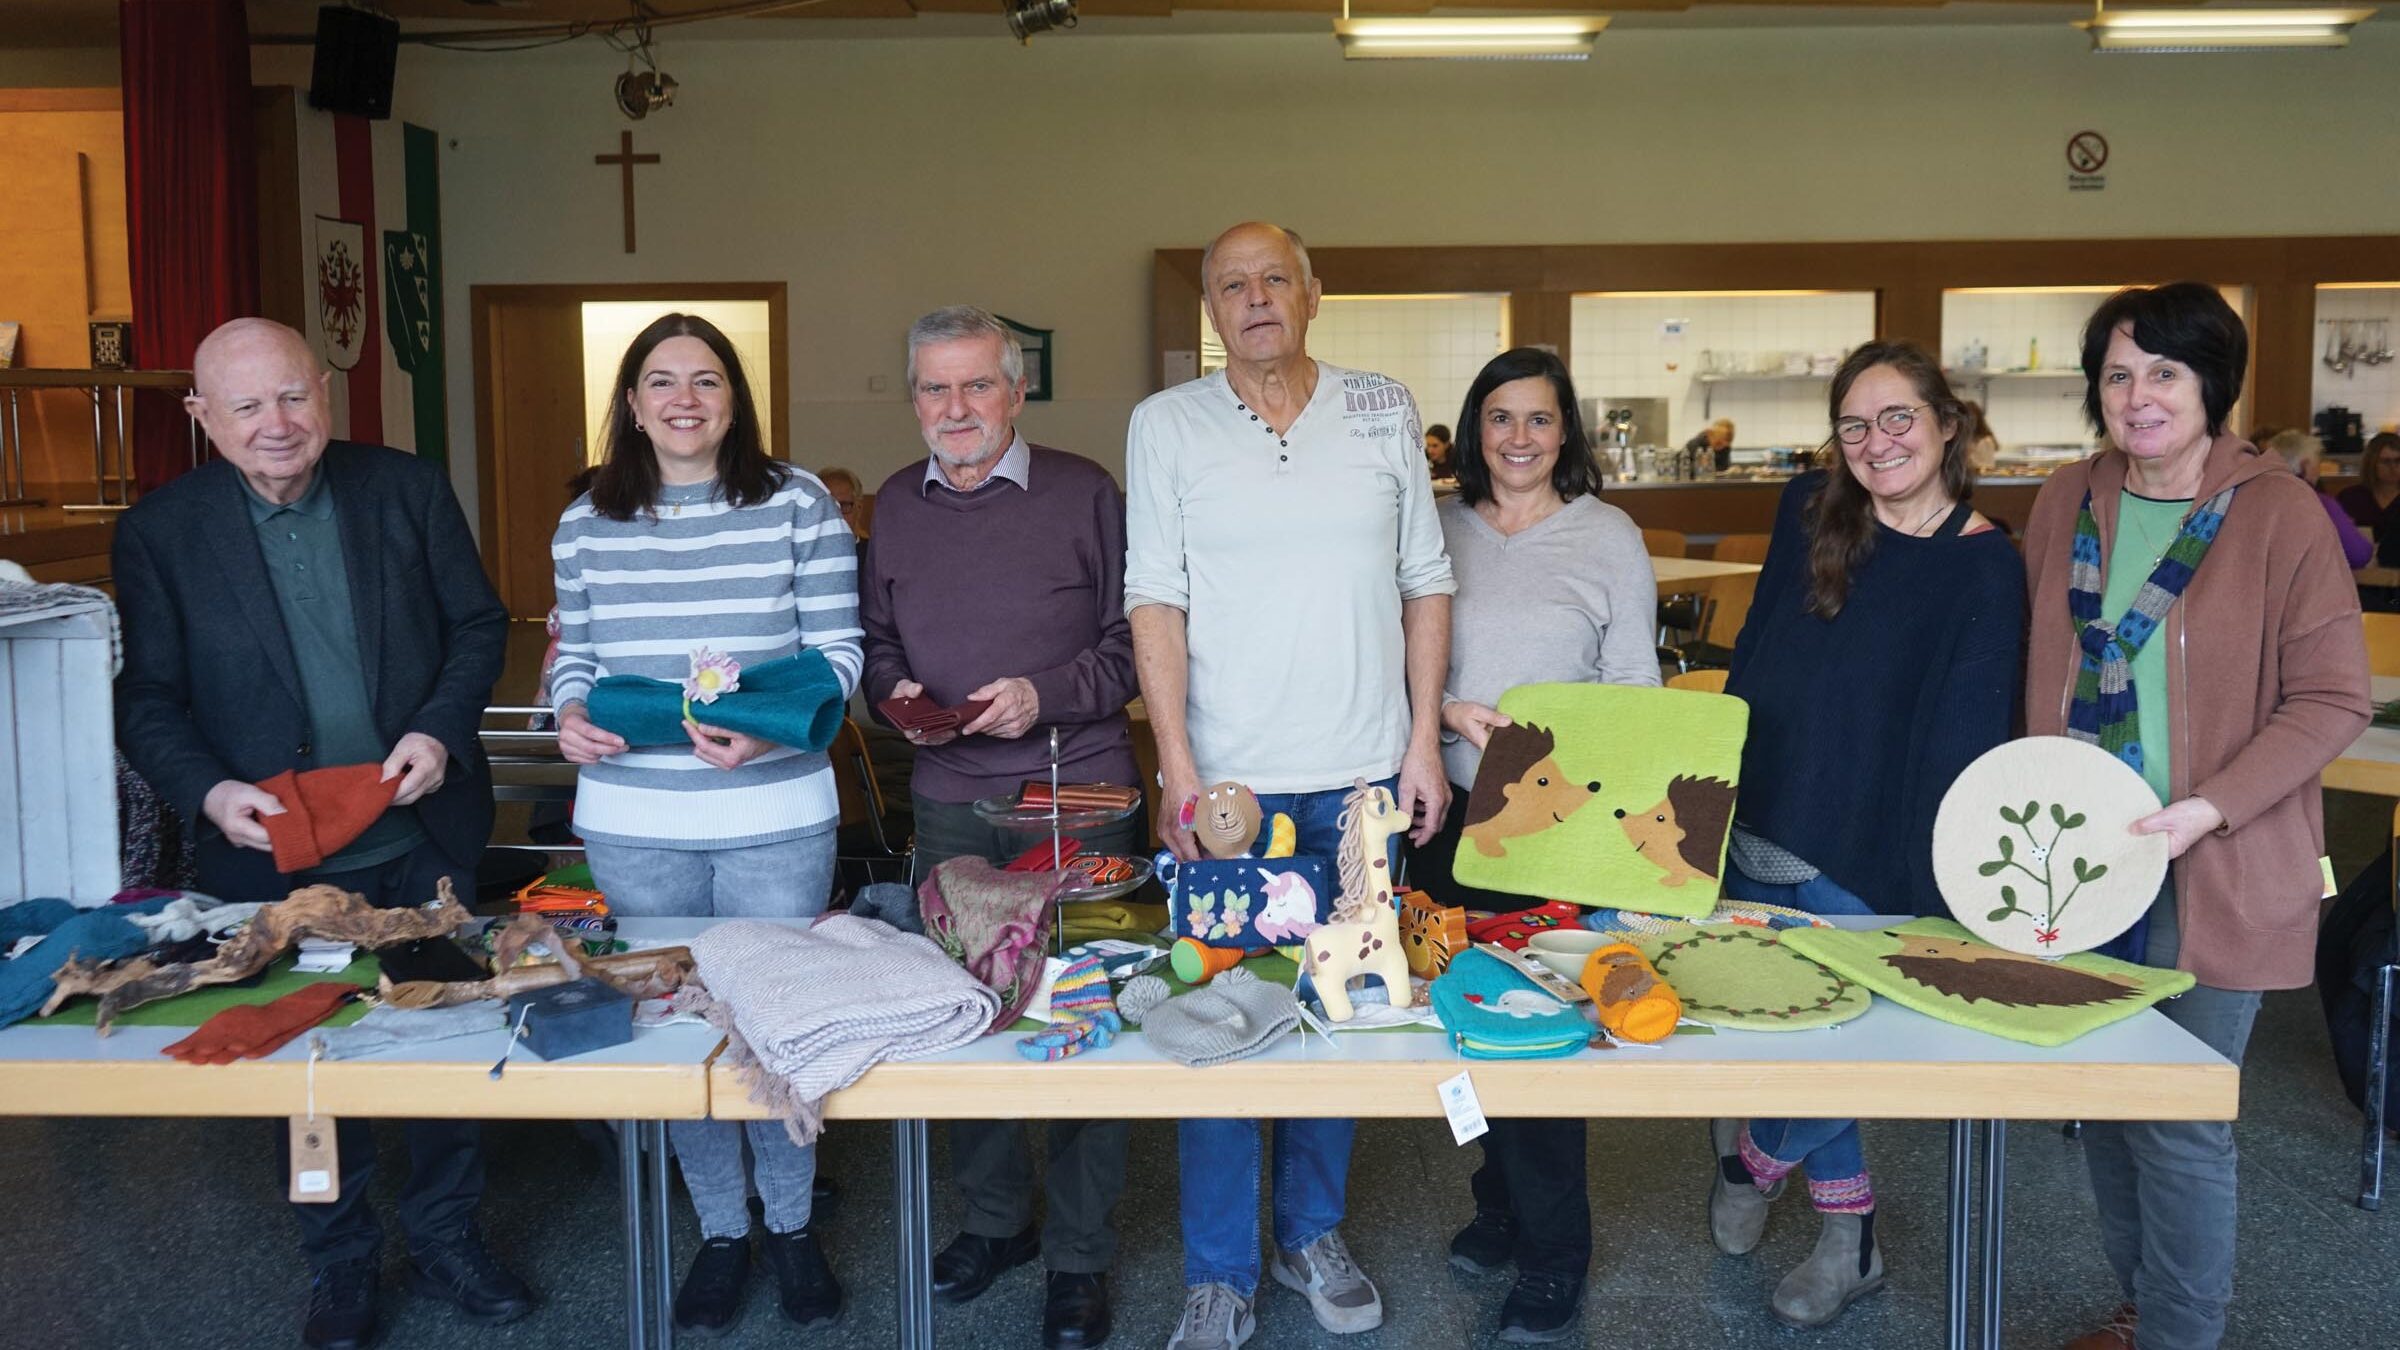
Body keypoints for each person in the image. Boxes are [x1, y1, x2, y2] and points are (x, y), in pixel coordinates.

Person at [114, 318, 523, 1350]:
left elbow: (479, 626)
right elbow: (148, 697)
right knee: (299, 1059)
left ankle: (446, 1235)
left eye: (293, 396)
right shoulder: (161, 530)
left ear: (327, 395)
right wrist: (208, 791)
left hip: (421, 836)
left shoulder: (405, 489)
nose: (276, 423)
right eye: (247, 405)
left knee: (443, 1043)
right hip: (268, 858)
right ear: (203, 416)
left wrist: (440, 729)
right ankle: (338, 1258)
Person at [1125, 220, 1455, 1350]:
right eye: (1233, 284)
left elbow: (1425, 578)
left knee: (1342, 1016)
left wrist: (1421, 742)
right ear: (1212, 309)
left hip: (1363, 783)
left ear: (1314, 294)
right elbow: (1155, 598)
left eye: (1276, 278)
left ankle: (1310, 1233)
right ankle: (1218, 1271)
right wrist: (1178, 769)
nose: (1257, 297)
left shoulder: (1381, 407)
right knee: (1215, 1023)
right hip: (1235, 796)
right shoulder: (1166, 424)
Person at [2026, 284, 2369, 1350]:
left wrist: (2206, 809)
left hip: (2217, 858)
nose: (2139, 396)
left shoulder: (2278, 514)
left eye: (2165, 373)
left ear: (2212, 385)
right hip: (2079, 858)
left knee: (2176, 1118)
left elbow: (2334, 699)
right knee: (2101, 1101)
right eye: (2118, 375)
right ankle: (2143, 1310)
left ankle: (2180, 1334)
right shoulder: (2068, 500)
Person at [548, 313, 862, 1338]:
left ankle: (792, 1223)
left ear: (736, 399)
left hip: (776, 812)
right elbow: (574, 654)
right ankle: (722, 1229)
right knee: (677, 1024)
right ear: (632, 404)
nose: (684, 400)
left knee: (775, 1018)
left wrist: (770, 736)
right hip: (635, 819)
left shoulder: (797, 503)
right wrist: (568, 712)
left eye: (707, 380)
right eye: (661, 381)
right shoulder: (585, 521)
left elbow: (841, 655)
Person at [1710, 340, 2025, 1329]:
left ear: (1947, 425)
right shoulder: (1808, 510)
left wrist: (1941, 885)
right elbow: (1755, 650)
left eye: (1898, 418)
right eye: (1855, 424)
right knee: (1773, 1027)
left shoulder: (1985, 565)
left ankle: (1764, 1169)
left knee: (1839, 1040)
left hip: (1871, 844)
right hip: (1761, 817)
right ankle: (1852, 1237)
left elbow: (1969, 736)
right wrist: (1714, 802)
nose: (1877, 441)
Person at [860, 305, 1139, 1350]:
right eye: (935, 388)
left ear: (1017, 393)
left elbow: (1138, 644)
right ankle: (995, 1221)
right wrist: (893, 693)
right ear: (914, 401)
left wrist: (1043, 693)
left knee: (1083, 1012)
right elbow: (875, 643)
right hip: (949, 796)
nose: (956, 407)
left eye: (977, 384)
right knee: (964, 1011)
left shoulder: (1085, 491)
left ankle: (1080, 1253)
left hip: (1081, 791)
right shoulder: (896, 503)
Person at [1418, 347, 1656, 1344]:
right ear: (1476, 428)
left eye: (1540, 419)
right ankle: (1498, 1203)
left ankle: (1558, 1251)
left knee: (1547, 1034)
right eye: (1500, 417)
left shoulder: (1608, 535)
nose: (1519, 438)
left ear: (1568, 432)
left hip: (1554, 830)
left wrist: (1568, 761)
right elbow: (1394, 663)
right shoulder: (1434, 525)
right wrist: (1446, 714)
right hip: (1440, 815)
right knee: (1464, 1020)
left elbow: (1635, 688)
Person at [2266, 428, 2371, 569]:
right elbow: (2359, 554)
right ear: (2305, 466)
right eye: (2317, 464)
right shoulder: (2321, 503)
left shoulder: (2253, 501)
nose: (2318, 471)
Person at [2335, 430, 2400, 530]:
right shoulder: (2350, 498)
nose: (2393, 467)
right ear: (2371, 464)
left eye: (2398, 461)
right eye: (2385, 461)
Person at [817, 464, 869, 539]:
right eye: (827, 506)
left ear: (859, 509)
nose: (836, 516)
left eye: (844, 506)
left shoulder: (875, 546)